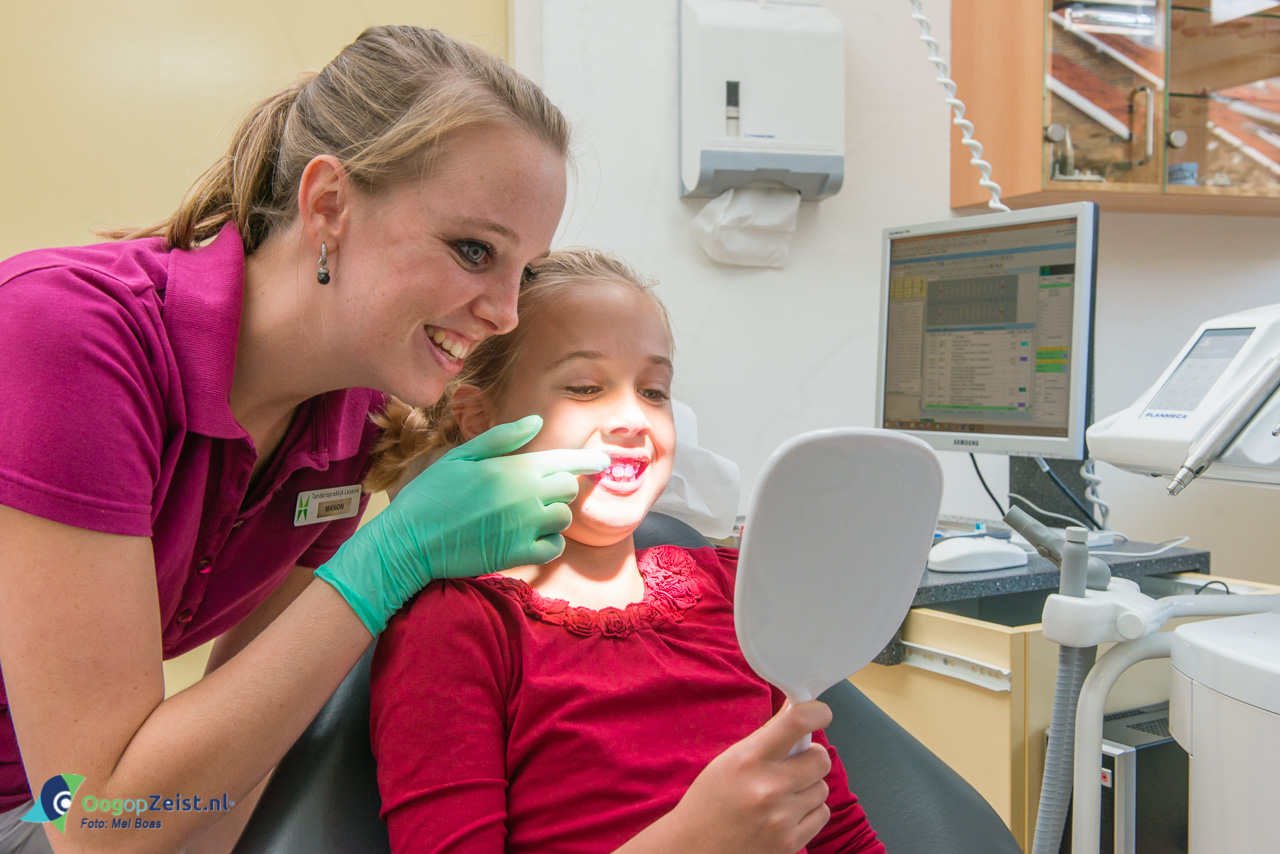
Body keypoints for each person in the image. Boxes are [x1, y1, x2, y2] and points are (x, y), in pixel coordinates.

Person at [0, 26, 608, 854]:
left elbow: (231, 762)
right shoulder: (65, 337)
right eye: (474, 251)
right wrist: (394, 552)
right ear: (328, 204)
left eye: (523, 273)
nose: (504, 313)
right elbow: (100, 818)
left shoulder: (347, 422)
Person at [368, 248, 886, 854]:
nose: (633, 419)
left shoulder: (735, 593)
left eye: (654, 391)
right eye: (586, 387)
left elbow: (836, 830)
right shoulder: (457, 628)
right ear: (480, 418)